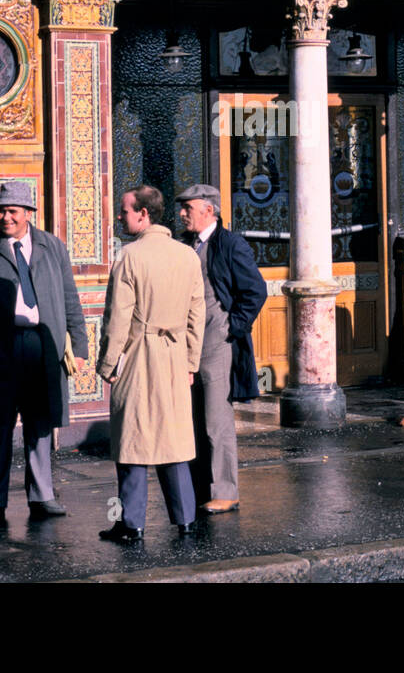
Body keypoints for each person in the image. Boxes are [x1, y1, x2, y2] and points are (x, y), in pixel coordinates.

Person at [0, 182, 87, 527]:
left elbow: (71, 298)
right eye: (1, 211)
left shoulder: (52, 246)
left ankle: (42, 496)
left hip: (41, 343)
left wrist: (80, 346)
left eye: (12, 211)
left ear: (28, 213)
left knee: (40, 421)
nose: (5, 217)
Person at [97, 185, 206, 542]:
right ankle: (186, 519)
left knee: (132, 442)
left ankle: (129, 523)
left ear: (143, 214)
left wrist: (108, 364)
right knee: (173, 440)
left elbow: (118, 319)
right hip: (175, 356)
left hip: (139, 354)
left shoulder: (130, 256)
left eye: (125, 210)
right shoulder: (187, 255)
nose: (120, 216)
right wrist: (191, 362)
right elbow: (196, 315)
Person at [176, 184, 268, 515]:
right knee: (191, 419)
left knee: (216, 420)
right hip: (186, 343)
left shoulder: (230, 244)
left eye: (188, 207)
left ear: (209, 211)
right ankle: (201, 488)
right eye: (182, 208)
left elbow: (255, 291)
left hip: (217, 341)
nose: (182, 213)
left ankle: (226, 491)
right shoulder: (182, 244)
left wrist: (232, 328)